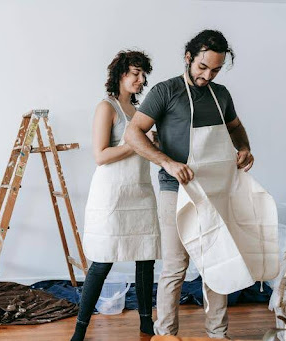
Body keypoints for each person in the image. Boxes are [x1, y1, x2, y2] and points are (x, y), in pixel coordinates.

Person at [125, 30, 254, 338]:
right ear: (188, 58)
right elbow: (133, 134)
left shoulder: (221, 94)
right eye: (202, 67)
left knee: (217, 262)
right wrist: (167, 162)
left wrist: (245, 148)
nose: (207, 75)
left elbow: (236, 129)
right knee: (174, 267)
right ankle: (166, 335)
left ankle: (217, 333)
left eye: (215, 69)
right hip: (175, 190)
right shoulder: (165, 91)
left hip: (215, 191)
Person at [71, 50, 161, 341]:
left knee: (146, 259)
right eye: (135, 73)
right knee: (102, 260)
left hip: (141, 191)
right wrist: (139, 143)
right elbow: (100, 155)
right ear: (120, 74)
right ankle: (80, 329)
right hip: (112, 195)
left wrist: (153, 143)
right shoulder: (106, 107)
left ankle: (147, 325)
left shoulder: (139, 111)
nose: (140, 79)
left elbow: (146, 149)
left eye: (143, 74)